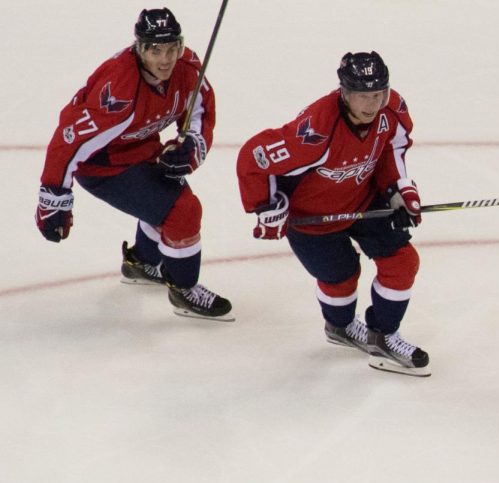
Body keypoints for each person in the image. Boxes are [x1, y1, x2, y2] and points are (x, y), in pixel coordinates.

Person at [236, 51, 429, 376]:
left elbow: (393, 147)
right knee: (341, 277)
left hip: (365, 200)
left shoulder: (391, 110)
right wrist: (267, 205)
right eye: (364, 96)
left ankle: (383, 336)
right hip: (314, 219)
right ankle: (339, 327)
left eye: (378, 93)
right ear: (345, 92)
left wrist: (399, 189)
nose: (372, 104)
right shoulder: (314, 132)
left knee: (403, 262)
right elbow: (253, 158)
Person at [35, 7, 232, 321]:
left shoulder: (188, 69)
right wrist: (53, 200)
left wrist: (189, 148)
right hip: (103, 167)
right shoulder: (118, 91)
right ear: (140, 49)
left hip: (142, 151)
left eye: (172, 49)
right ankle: (184, 288)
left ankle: (141, 262)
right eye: (156, 50)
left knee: (163, 202)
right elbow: (68, 142)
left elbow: (200, 113)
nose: (165, 59)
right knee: (182, 210)